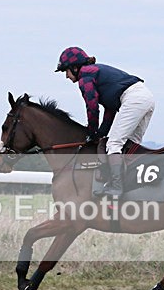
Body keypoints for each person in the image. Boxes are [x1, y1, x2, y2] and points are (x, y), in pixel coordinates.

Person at [56, 46, 155, 197]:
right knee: (129, 145)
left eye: (66, 71)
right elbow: (110, 111)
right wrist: (100, 133)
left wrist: (91, 131)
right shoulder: (97, 73)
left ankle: (116, 187)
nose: (66, 76)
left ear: (75, 67)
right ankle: (132, 186)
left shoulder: (85, 76)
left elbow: (92, 107)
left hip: (133, 99)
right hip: (145, 97)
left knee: (114, 144)